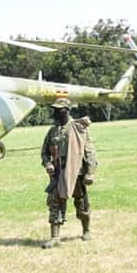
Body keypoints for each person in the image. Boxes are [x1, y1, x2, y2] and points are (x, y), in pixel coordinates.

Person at [40, 97, 97, 248]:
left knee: (81, 202)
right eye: (55, 110)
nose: (56, 113)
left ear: (66, 110)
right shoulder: (52, 131)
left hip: (76, 171)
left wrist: (90, 172)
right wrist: (47, 163)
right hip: (58, 173)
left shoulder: (78, 128)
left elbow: (89, 151)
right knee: (54, 202)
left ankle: (86, 230)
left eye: (59, 110)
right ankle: (55, 236)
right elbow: (45, 151)